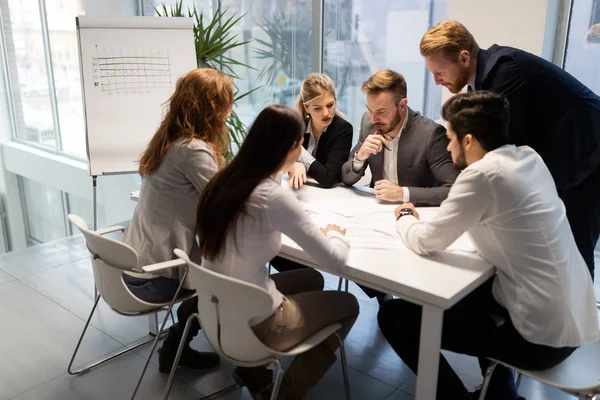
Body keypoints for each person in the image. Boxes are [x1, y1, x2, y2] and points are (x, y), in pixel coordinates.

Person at [378, 91, 599, 400]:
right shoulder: (527, 157)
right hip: (578, 318)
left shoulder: (483, 175)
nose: (448, 145)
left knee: (394, 316)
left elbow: (426, 240)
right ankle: (501, 393)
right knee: (475, 293)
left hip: (543, 341)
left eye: (451, 137)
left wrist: (404, 215)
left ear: (469, 140)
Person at [196, 105, 359, 400]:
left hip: (216, 311)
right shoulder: (272, 197)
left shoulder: (226, 180)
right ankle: (286, 394)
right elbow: (335, 260)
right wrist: (335, 233)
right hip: (256, 325)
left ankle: (256, 374)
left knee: (310, 278)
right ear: (292, 147)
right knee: (348, 304)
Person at [420, 19, 600, 279]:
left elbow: (495, 152)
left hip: (587, 156)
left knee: (576, 251)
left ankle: (578, 317)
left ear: (464, 57)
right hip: (567, 156)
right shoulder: (484, 80)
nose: (437, 81)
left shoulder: (505, 71)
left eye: (439, 72)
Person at [121, 68, 234, 373]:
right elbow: (226, 201)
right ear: (212, 108)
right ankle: (244, 365)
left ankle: (177, 346)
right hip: (156, 278)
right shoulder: (193, 150)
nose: (230, 109)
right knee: (233, 283)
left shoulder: (169, 142)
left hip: (132, 266)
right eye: (226, 102)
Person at [341, 69, 458, 303]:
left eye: (381, 111)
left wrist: (402, 193)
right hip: (376, 219)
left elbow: (453, 190)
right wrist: (360, 157)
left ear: (402, 105)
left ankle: (404, 302)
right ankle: (381, 292)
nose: (374, 119)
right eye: (370, 110)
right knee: (343, 248)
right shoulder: (368, 124)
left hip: (416, 220)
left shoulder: (430, 134)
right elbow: (346, 177)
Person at [288, 73, 353, 190]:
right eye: (317, 108)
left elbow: (329, 179)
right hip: (299, 190)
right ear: (307, 108)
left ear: (336, 101)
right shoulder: (296, 126)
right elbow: (277, 160)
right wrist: (294, 165)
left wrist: (300, 152)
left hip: (327, 196)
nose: (326, 113)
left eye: (330, 105)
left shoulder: (343, 129)